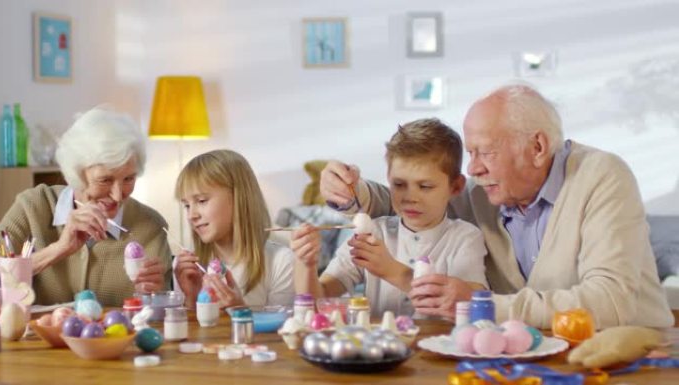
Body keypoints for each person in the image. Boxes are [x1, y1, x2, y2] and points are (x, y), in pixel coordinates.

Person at [320, 84, 674, 329]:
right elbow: (414, 199)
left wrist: (484, 303)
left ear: (537, 147)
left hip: (632, 354)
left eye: (485, 152)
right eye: (470, 154)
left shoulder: (601, 175)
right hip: (528, 354)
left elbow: (610, 302)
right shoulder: (482, 192)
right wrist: (351, 191)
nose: (473, 168)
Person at [292, 119, 488, 318]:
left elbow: (474, 307)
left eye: (425, 186)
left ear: (455, 187)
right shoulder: (374, 233)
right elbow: (318, 302)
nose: (410, 197)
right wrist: (306, 264)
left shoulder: (466, 237)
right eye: (399, 184)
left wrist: (391, 270)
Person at [0, 107, 171, 306]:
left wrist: (151, 297)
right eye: (105, 180)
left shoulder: (151, 227)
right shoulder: (33, 206)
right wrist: (58, 249)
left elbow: (159, 320)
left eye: (128, 179)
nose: (117, 195)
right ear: (76, 174)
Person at [173, 149, 294, 309]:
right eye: (187, 205)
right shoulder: (186, 267)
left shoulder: (281, 262)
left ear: (239, 198)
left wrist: (239, 311)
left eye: (201, 201)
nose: (191, 215)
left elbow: (281, 332)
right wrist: (191, 299)